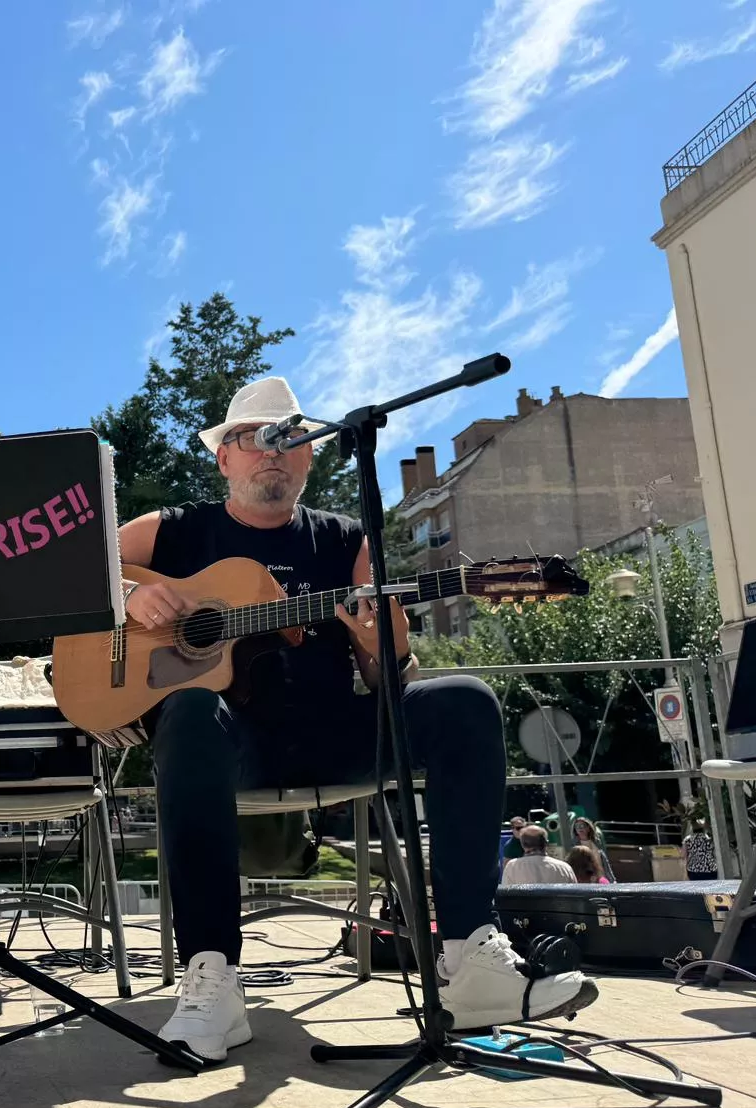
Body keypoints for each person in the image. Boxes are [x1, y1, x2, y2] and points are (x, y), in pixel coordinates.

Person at [123, 377, 597, 1062]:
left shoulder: (347, 541)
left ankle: (469, 959)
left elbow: (386, 679)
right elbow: (83, 570)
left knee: (466, 700)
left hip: (334, 734)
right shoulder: (175, 531)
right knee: (192, 706)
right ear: (223, 456)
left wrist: (382, 646)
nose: (273, 454)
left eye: (291, 440)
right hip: (229, 743)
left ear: (311, 459)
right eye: (255, 439)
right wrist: (140, 595)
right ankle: (213, 980)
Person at [501, 825, 577, 885]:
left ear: (523, 845)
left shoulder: (512, 867)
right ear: (546, 843)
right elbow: (575, 898)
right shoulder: (565, 868)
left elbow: (506, 898)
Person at [571, 817, 616, 882]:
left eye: (582, 826)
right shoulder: (574, 845)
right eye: (577, 826)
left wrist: (613, 879)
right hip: (585, 881)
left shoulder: (597, 842)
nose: (580, 828)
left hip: (601, 878)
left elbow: (605, 862)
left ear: (588, 828)